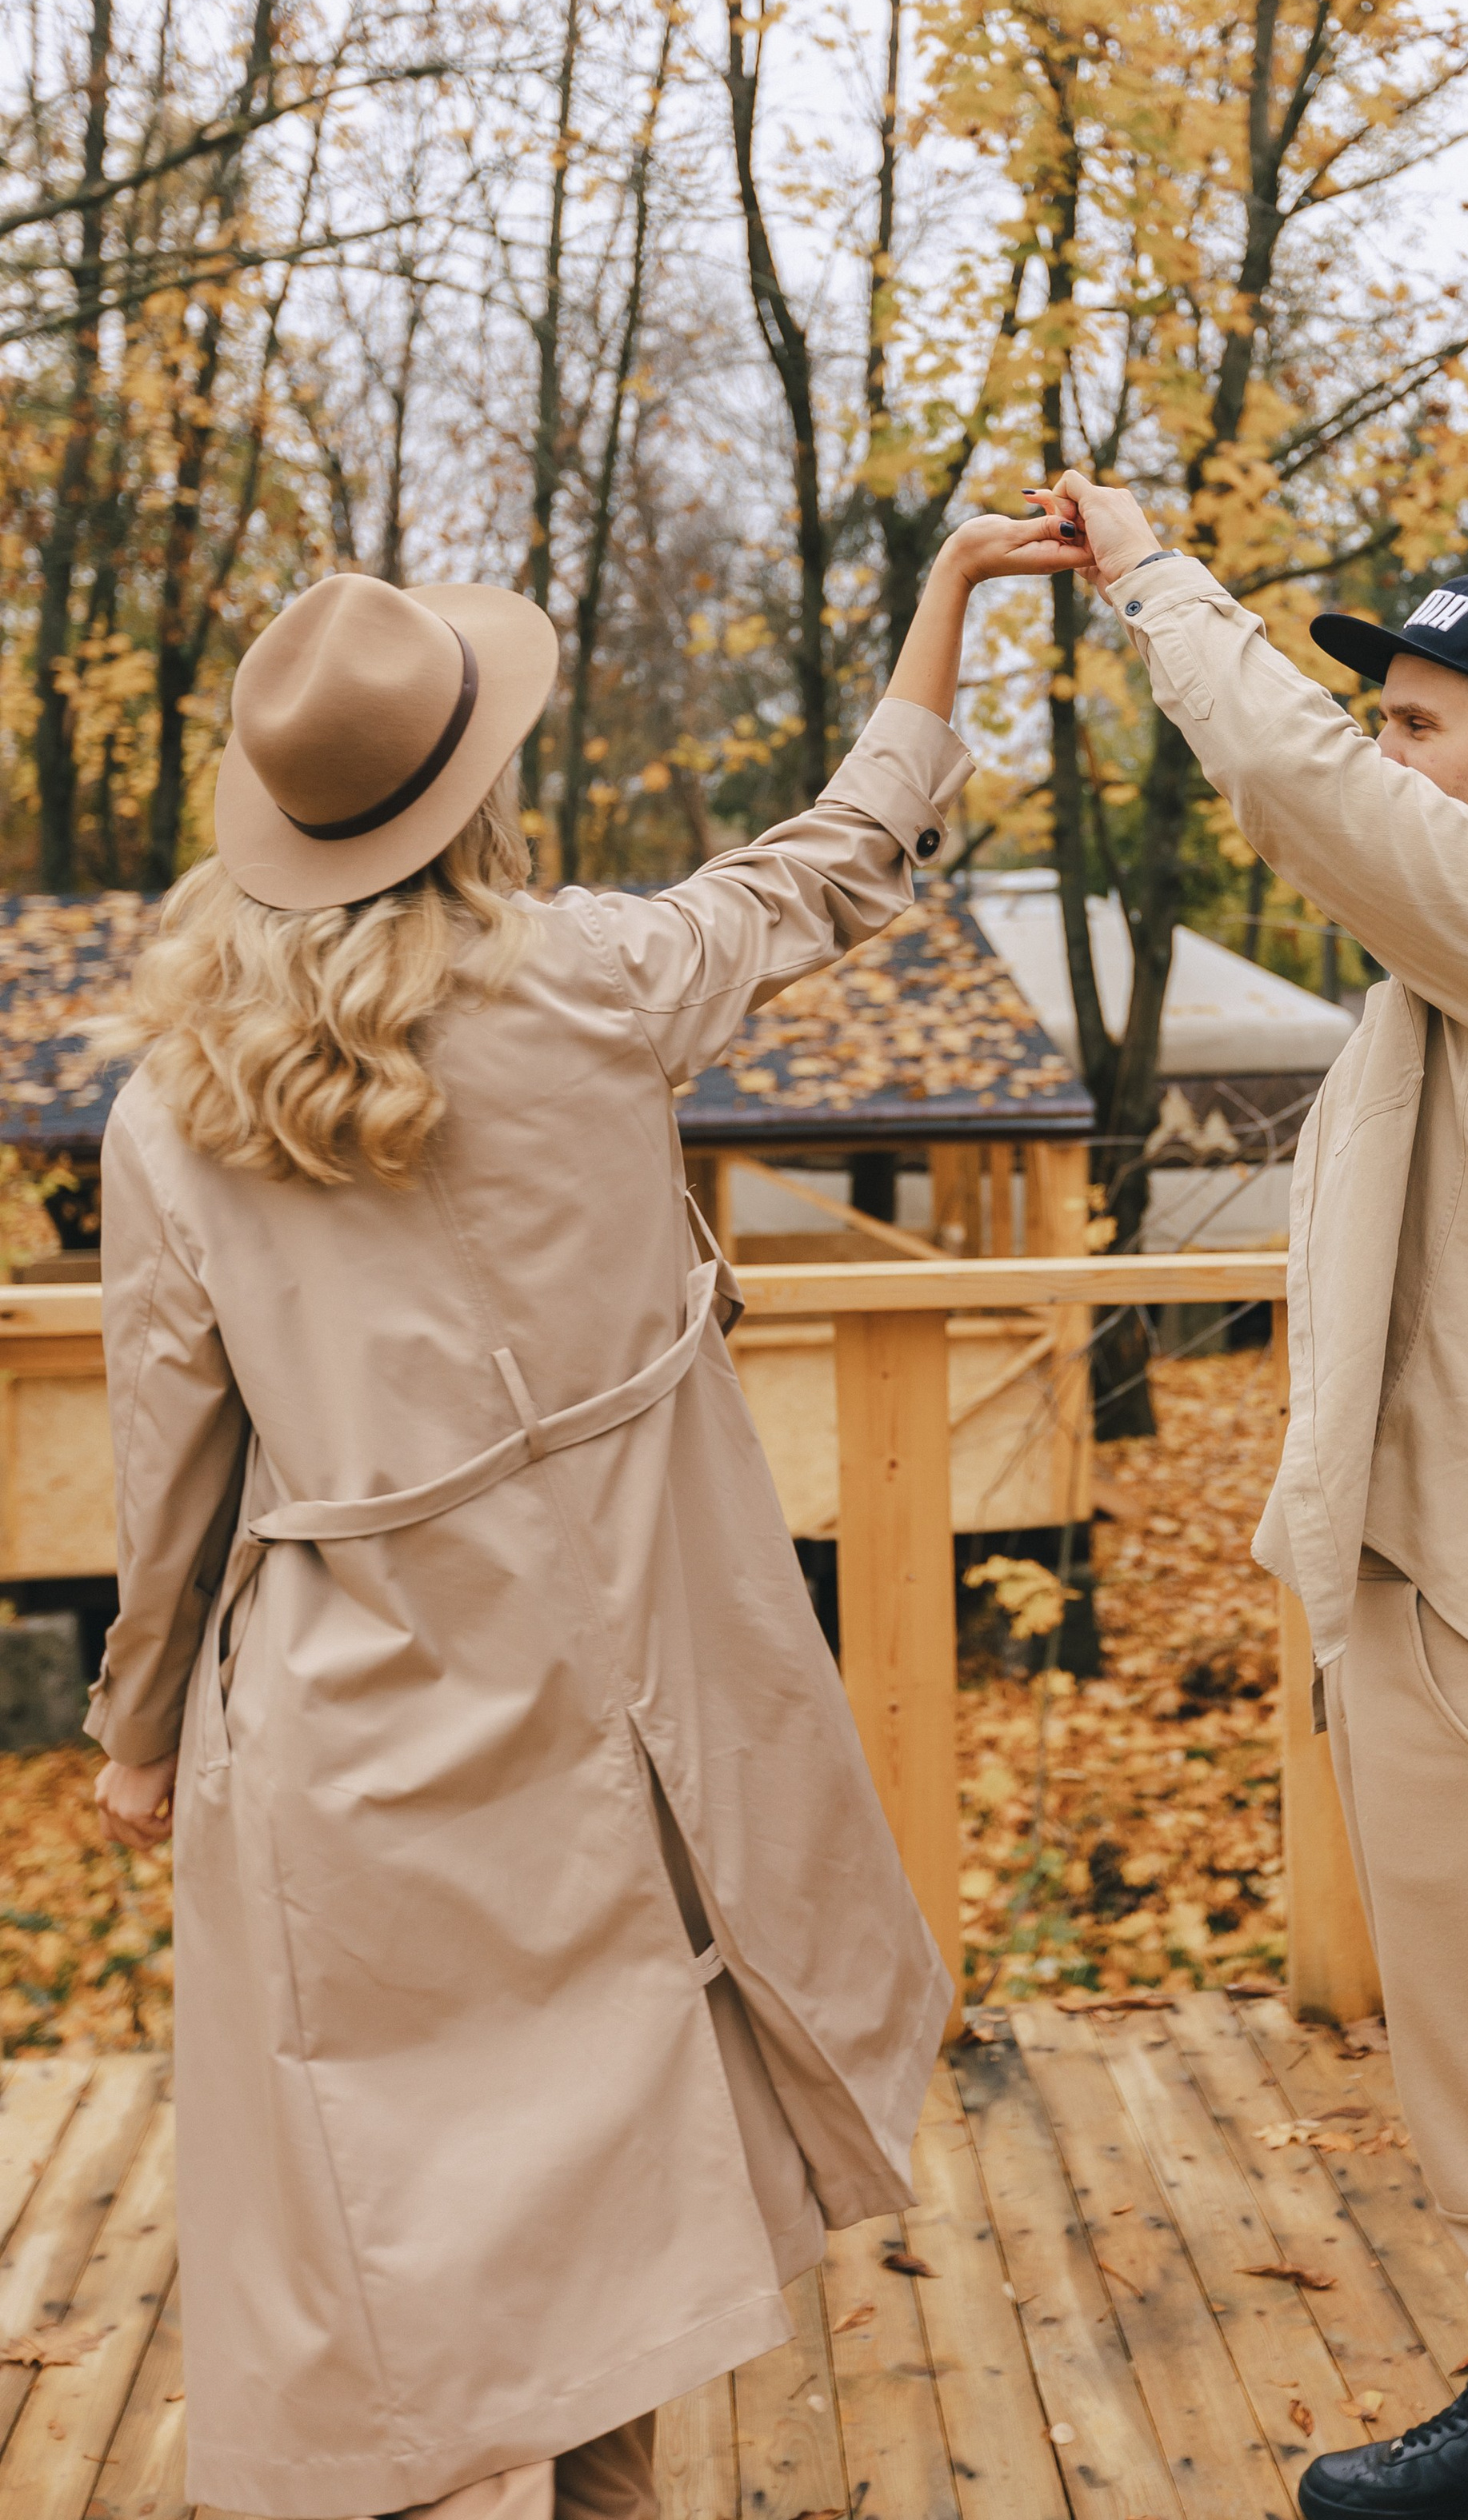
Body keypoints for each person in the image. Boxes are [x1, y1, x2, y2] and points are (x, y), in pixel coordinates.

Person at [86, 509, 1080, 2520]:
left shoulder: (168, 1102)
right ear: (473, 795)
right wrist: (945, 602)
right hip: (608, 1693)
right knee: (609, 2181)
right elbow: (829, 865)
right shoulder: (599, 983)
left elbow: (169, 1465)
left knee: (408, 2227)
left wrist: (128, 1735)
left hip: (350, 1728)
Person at [1041, 472, 1468, 2520]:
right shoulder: (1467, 963)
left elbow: (1302, 798)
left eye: (1421, 725)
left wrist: (1154, 582)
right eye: (1383, 717)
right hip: (1438, 1598)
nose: (1386, 755)